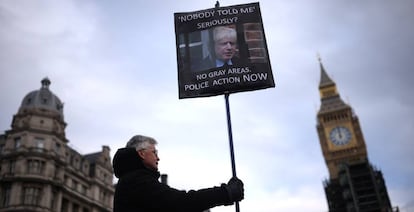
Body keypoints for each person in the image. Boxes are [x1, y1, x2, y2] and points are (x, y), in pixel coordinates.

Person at [113, 135, 244, 212]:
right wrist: (226, 193)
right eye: (154, 152)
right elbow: (180, 202)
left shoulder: (132, 179)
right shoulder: (137, 181)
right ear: (141, 153)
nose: (158, 158)